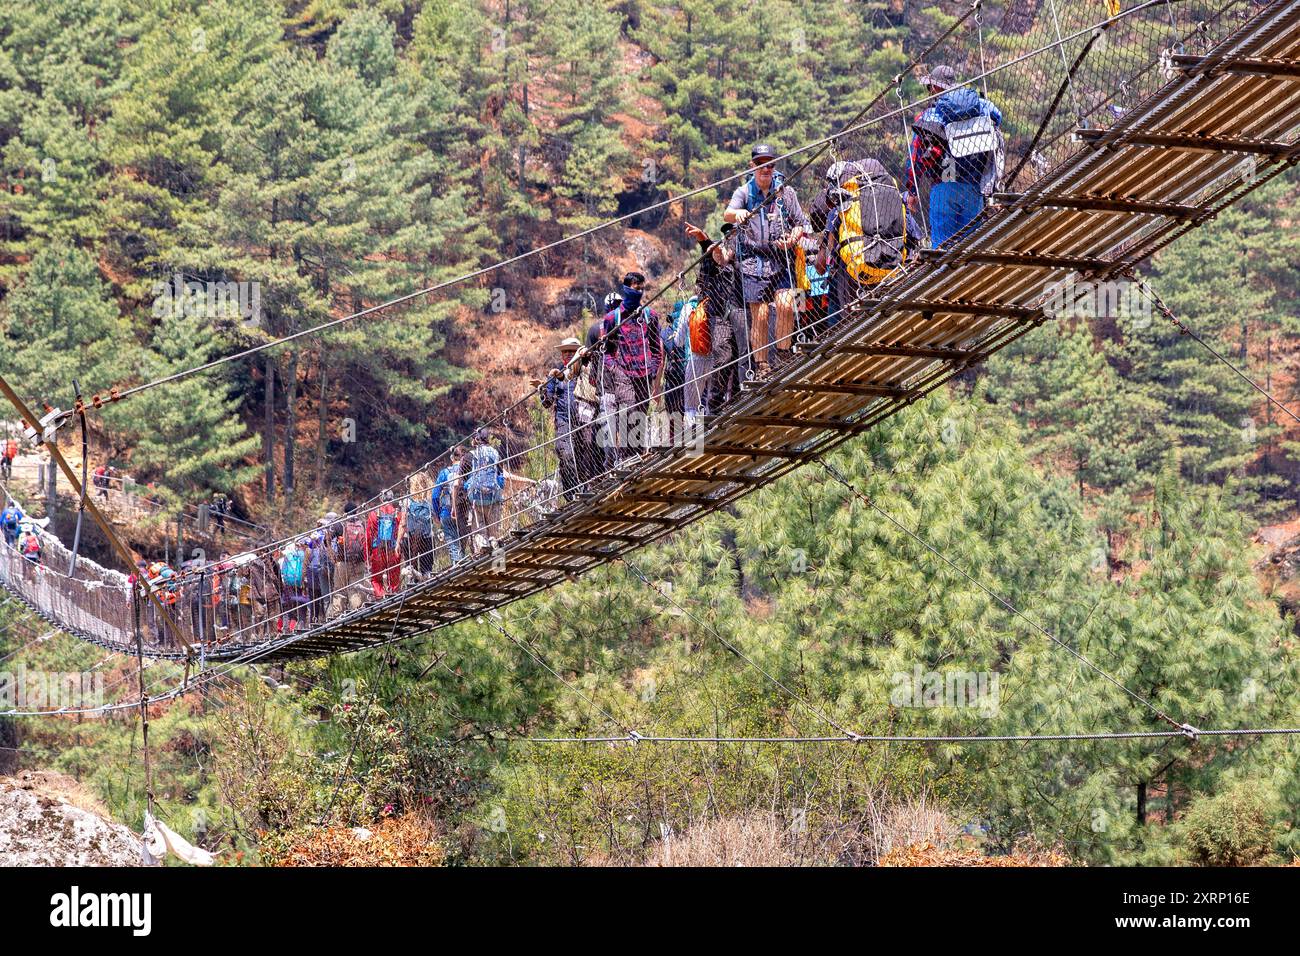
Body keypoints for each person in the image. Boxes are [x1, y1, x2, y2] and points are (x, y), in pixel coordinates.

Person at [724, 143, 809, 377]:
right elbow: (727, 214)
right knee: (760, 316)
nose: (765, 169)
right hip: (752, 263)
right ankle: (762, 366)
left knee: (786, 305)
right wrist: (738, 214)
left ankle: (783, 355)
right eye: (761, 164)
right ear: (752, 166)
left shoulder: (785, 192)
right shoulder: (743, 193)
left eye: (770, 164)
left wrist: (792, 238)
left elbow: (801, 223)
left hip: (781, 259)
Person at [816, 157, 923, 327]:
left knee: (847, 321)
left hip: (855, 279)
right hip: (893, 271)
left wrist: (824, 244)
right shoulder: (894, 198)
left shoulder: (840, 208)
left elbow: (820, 266)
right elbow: (915, 237)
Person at [904, 64, 1003, 247]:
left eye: (929, 87)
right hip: (974, 188)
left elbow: (916, 154)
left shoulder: (931, 114)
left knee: (943, 247)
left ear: (934, 88)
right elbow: (998, 116)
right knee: (972, 245)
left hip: (943, 187)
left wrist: (912, 190)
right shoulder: (979, 105)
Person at [685, 222, 749, 415]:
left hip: (742, 315)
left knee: (741, 358)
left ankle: (737, 401)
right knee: (723, 358)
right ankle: (715, 406)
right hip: (719, 317)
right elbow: (713, 253)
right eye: (728, 236)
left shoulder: (745, 260)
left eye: (735, 234)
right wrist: (703, 239)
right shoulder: (716, 258)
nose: (731, 238)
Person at [601, 272, 664, 462]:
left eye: (642, 289)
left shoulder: (649, 315)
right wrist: (614, 368)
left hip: (644, 373)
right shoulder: (613, 318)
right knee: (628, 412)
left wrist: (653, 369)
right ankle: (628, 458)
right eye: (636, 288)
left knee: (640, 416)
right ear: (627, 289)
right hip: (623, 374)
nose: (639, 292)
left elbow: (656, 346)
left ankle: (637, 455)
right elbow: (607, 351)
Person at [540, 338, 583, 498]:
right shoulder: (556, 373)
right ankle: (571, 494)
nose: (567, 355)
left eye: (571, 352)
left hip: (585, 419)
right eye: (564, 352)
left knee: (584, 455)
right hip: (563, 420)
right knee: (566, 455)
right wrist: (543, 389)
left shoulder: (584, 369)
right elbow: (547, 402)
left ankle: (585, 489)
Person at [462, 429, 504, 554]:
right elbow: (501, 475)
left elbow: (461, 479)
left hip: (476, 500)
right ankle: (498, 566)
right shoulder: (495, 453)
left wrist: (467, 489)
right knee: (494, 533)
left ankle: (483, 559)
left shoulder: (470, 455)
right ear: (488, 439)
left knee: (479, 533)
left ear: (476, 439)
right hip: (493, 499)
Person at [329, 502, 367, 618]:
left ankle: (337, 616)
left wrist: (332, 555)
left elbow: (326, 540)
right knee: (355, 589)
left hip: (342, 562)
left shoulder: (339, 524)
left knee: (340, 591)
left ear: (344, 512)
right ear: (357, 511)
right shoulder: (362, 524)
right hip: (359, 562)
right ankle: (355, 614)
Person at [365, 490, 402, 600]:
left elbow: (368, 535)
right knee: (394, 578)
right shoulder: (397, 513)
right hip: (393, 550)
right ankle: (393, 597)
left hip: (378, 551)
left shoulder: (373, 513)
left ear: (381, 499)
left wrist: (367, 553)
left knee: (376, 579)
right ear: (392, 498)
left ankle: (381, 597)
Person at [399, 473, 436, 580]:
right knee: (427, 568)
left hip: (409, 538)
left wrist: (398, 542)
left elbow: (403, 523)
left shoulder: (407, 500)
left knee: (410, 566)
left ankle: (412, 586)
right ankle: (427, 584)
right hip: (427, 538)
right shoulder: (429, 500)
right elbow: (436, 520)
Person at [433, 450, 465, 565]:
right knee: (462, 542)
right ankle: (463, 562)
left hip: (446, 512)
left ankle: (457, 565)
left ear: (452, 459)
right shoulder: (466, 470)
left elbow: (435, 495)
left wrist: (437, 513)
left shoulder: (444, 473)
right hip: (463, 511)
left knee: (452, 542)